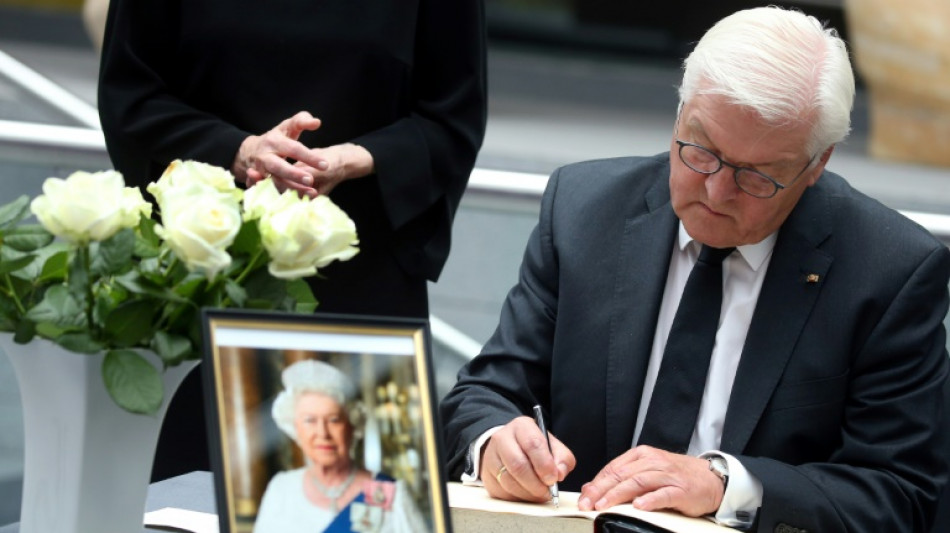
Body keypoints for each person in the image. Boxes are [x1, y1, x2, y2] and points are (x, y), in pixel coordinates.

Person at [440, 7, 950, 533]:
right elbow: (483, 394)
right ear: (680, 113)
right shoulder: (584, 210)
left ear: (817, 163)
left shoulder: (888, 270)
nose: (715, 191)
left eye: (756, 177)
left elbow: (900, 494)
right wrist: (496, 443)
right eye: (701, 151)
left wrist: (727, 486)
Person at [96, 0, 487, 479]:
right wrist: (239, 152)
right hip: (195, 277)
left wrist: (354, 159)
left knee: (360, 511)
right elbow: (130, 96)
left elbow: (452, 119)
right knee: (181, 501)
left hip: (360, 286)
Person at [255, 359, 426, 533]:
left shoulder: (389, 492)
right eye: (310, 420)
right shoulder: (282, 489)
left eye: (333, 420)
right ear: (295, 428)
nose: (322, 433)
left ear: (353, 425)